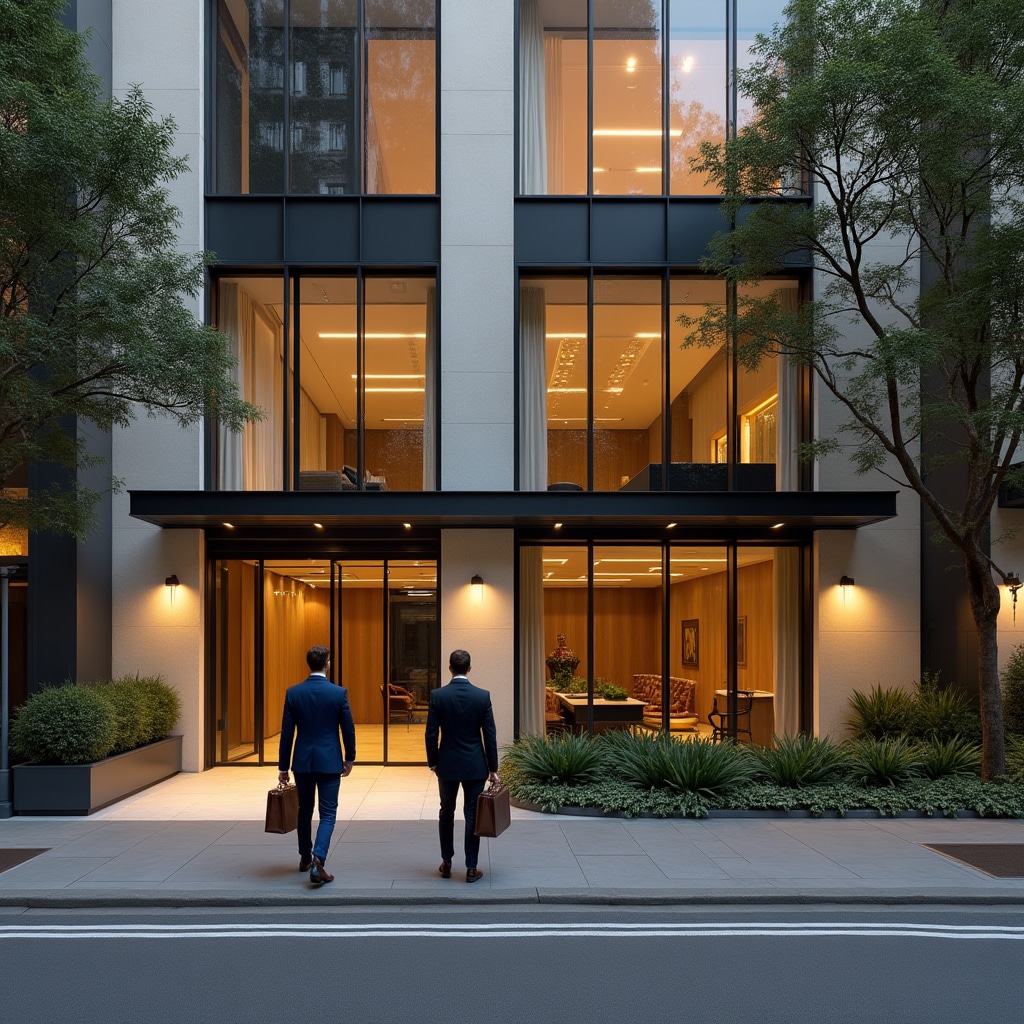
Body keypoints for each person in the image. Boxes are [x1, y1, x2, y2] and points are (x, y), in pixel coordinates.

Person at [277, 645, 356, 886]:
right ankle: (318, 859)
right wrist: (349, 758)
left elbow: (287, 734)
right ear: (328, 663)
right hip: (330, 761)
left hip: (302, 762)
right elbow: (348, 728)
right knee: (328, 813)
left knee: (304, 810)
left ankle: (304, 857)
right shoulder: (338, 693)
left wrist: (283, 766)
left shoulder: (293, 693)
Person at [425, 649, 500, 883]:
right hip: (475, 765)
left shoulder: (438, 696)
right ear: (469, 668)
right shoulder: (482, 696)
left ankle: (446, 862)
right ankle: (471, 867)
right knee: (472, 815)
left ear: (450, 668)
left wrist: (433, 762)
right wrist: (493, 768)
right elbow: (490, 736)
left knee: (446, 811)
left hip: (447, 764)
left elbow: (430, 734)